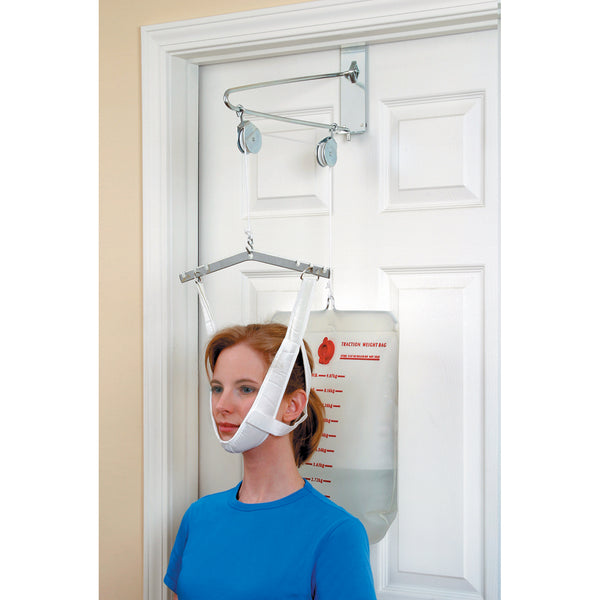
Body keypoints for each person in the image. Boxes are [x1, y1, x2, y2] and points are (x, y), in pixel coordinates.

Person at [164, 323, 377, 599]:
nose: (221, 406)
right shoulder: (198, 517)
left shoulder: (336, 534)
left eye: (245, 389)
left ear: (293, 406)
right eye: (217, 388)